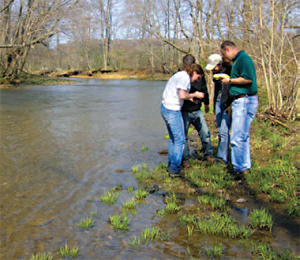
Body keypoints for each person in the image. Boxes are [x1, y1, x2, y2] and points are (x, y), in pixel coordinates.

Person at [219, 41, 258, 177]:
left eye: (224, 55)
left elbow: (248, 80)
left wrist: (229, 81)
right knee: (243, 137)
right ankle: (244, 166)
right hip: (240, 100)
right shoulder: (237, 60)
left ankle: (239, 169)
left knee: (237, 137)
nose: (225, 59)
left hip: (245, 101)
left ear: (228, 50)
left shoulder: (243, 59)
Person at [161, 63, 205, 177]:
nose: (197, 80)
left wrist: (190, 98)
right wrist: (194, 94)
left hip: (166, 108)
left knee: (173, 139)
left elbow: (179, 94)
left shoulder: (180, 75)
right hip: (172, 110)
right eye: (198, 77)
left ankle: (171, 165)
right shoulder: (184, 77)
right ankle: (174, 169)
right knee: (180, 140)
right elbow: (181, 95)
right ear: (194, 72)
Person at [181, 64, 214, 163]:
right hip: (184, 111)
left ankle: (208, 154)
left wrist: (206, 103)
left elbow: (204, 90)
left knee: (205, 133)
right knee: (183, 136)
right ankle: (185, 159)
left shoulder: (199, 77)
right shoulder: (182, 78)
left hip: (197, 110)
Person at [205, 54, 232, 165]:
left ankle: (222, 159)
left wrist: (230, 105)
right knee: (220, 131)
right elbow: (216, 90)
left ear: (219, 64)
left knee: (224, 131)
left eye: (214, 67)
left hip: (228, 103)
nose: (213, 70)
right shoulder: (215, 73)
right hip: (218, 101)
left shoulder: (231, 70)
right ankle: (222, 154)